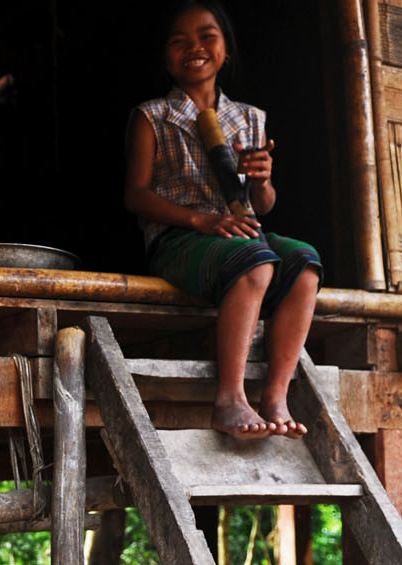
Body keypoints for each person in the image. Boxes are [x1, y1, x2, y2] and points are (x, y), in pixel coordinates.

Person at [122, 0, 321, 439]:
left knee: (305, 264)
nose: (193, 47)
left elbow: (262, 205)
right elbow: (135, 195)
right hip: (180, 240)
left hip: (241, 233)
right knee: (256, 262)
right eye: (179, 40)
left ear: (226, 49)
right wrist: (200, 221)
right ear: (166, 56)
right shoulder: (152, 115)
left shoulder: (250, 118)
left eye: (206, 36)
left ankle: (274, 395)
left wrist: (263, 180)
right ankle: (229, 399)